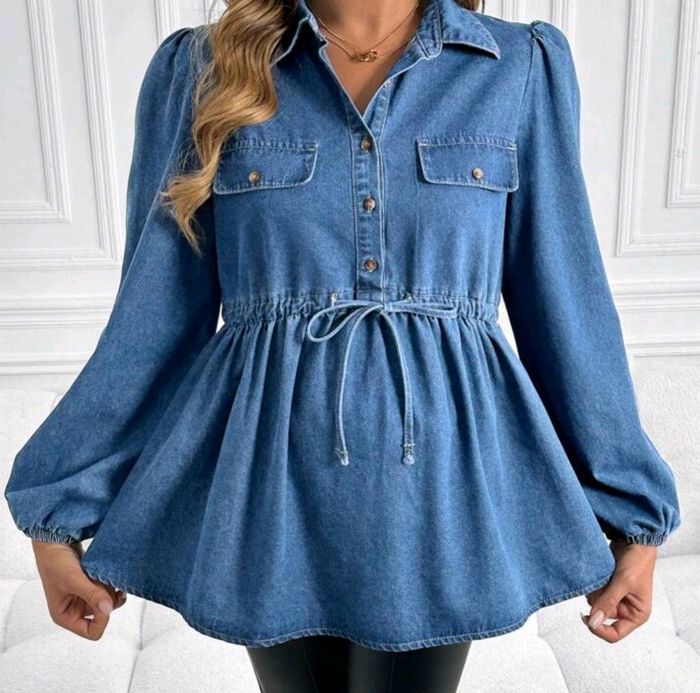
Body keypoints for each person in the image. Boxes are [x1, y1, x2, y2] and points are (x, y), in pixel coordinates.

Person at [4, 0, 682, 691]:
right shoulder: (207, 69)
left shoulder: (517, 67)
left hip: (438, 484)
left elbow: (565, 301)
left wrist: (633, 517)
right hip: (274, 481)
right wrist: (58, 510)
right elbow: (153, 315)